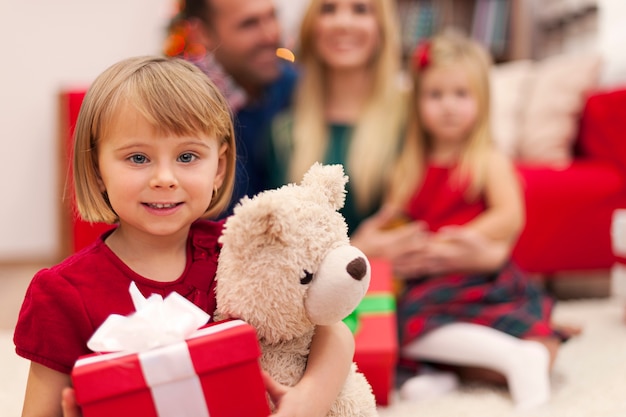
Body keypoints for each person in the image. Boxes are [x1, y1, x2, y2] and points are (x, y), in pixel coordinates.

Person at [13, 56, 356, 417]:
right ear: (97, 169)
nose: (165, 177)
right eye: (138, 158)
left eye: (188, 156)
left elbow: (334, 333)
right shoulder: (62, 293)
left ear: (219, 168)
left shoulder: (245, 251)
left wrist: (307, 401)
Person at [383, 30, 572, 410]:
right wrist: (385, 237)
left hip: (480, 276)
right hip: (429, 280)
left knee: (414, 321)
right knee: (399, 322)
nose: (448, 106)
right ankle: (451, 371)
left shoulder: (487, 158)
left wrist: (462, 238)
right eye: (435, 95)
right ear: (417, 102)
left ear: (481, 102)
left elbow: (509, 215)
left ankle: (517, 358)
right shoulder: (409, 166)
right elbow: (393, 218)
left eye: (461, 95)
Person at [266, 0, 417, 240]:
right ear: (312, 28)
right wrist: (358, 251)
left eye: (360, 9)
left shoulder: (415, 118)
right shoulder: (282, 133)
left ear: (382, 28)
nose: (343, 23)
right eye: (328, 9)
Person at [174, 0, 298, 213]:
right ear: (202, 33)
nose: (271, 35)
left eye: (272, 16)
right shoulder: (180, 107)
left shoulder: (295, 87)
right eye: (249, 24)